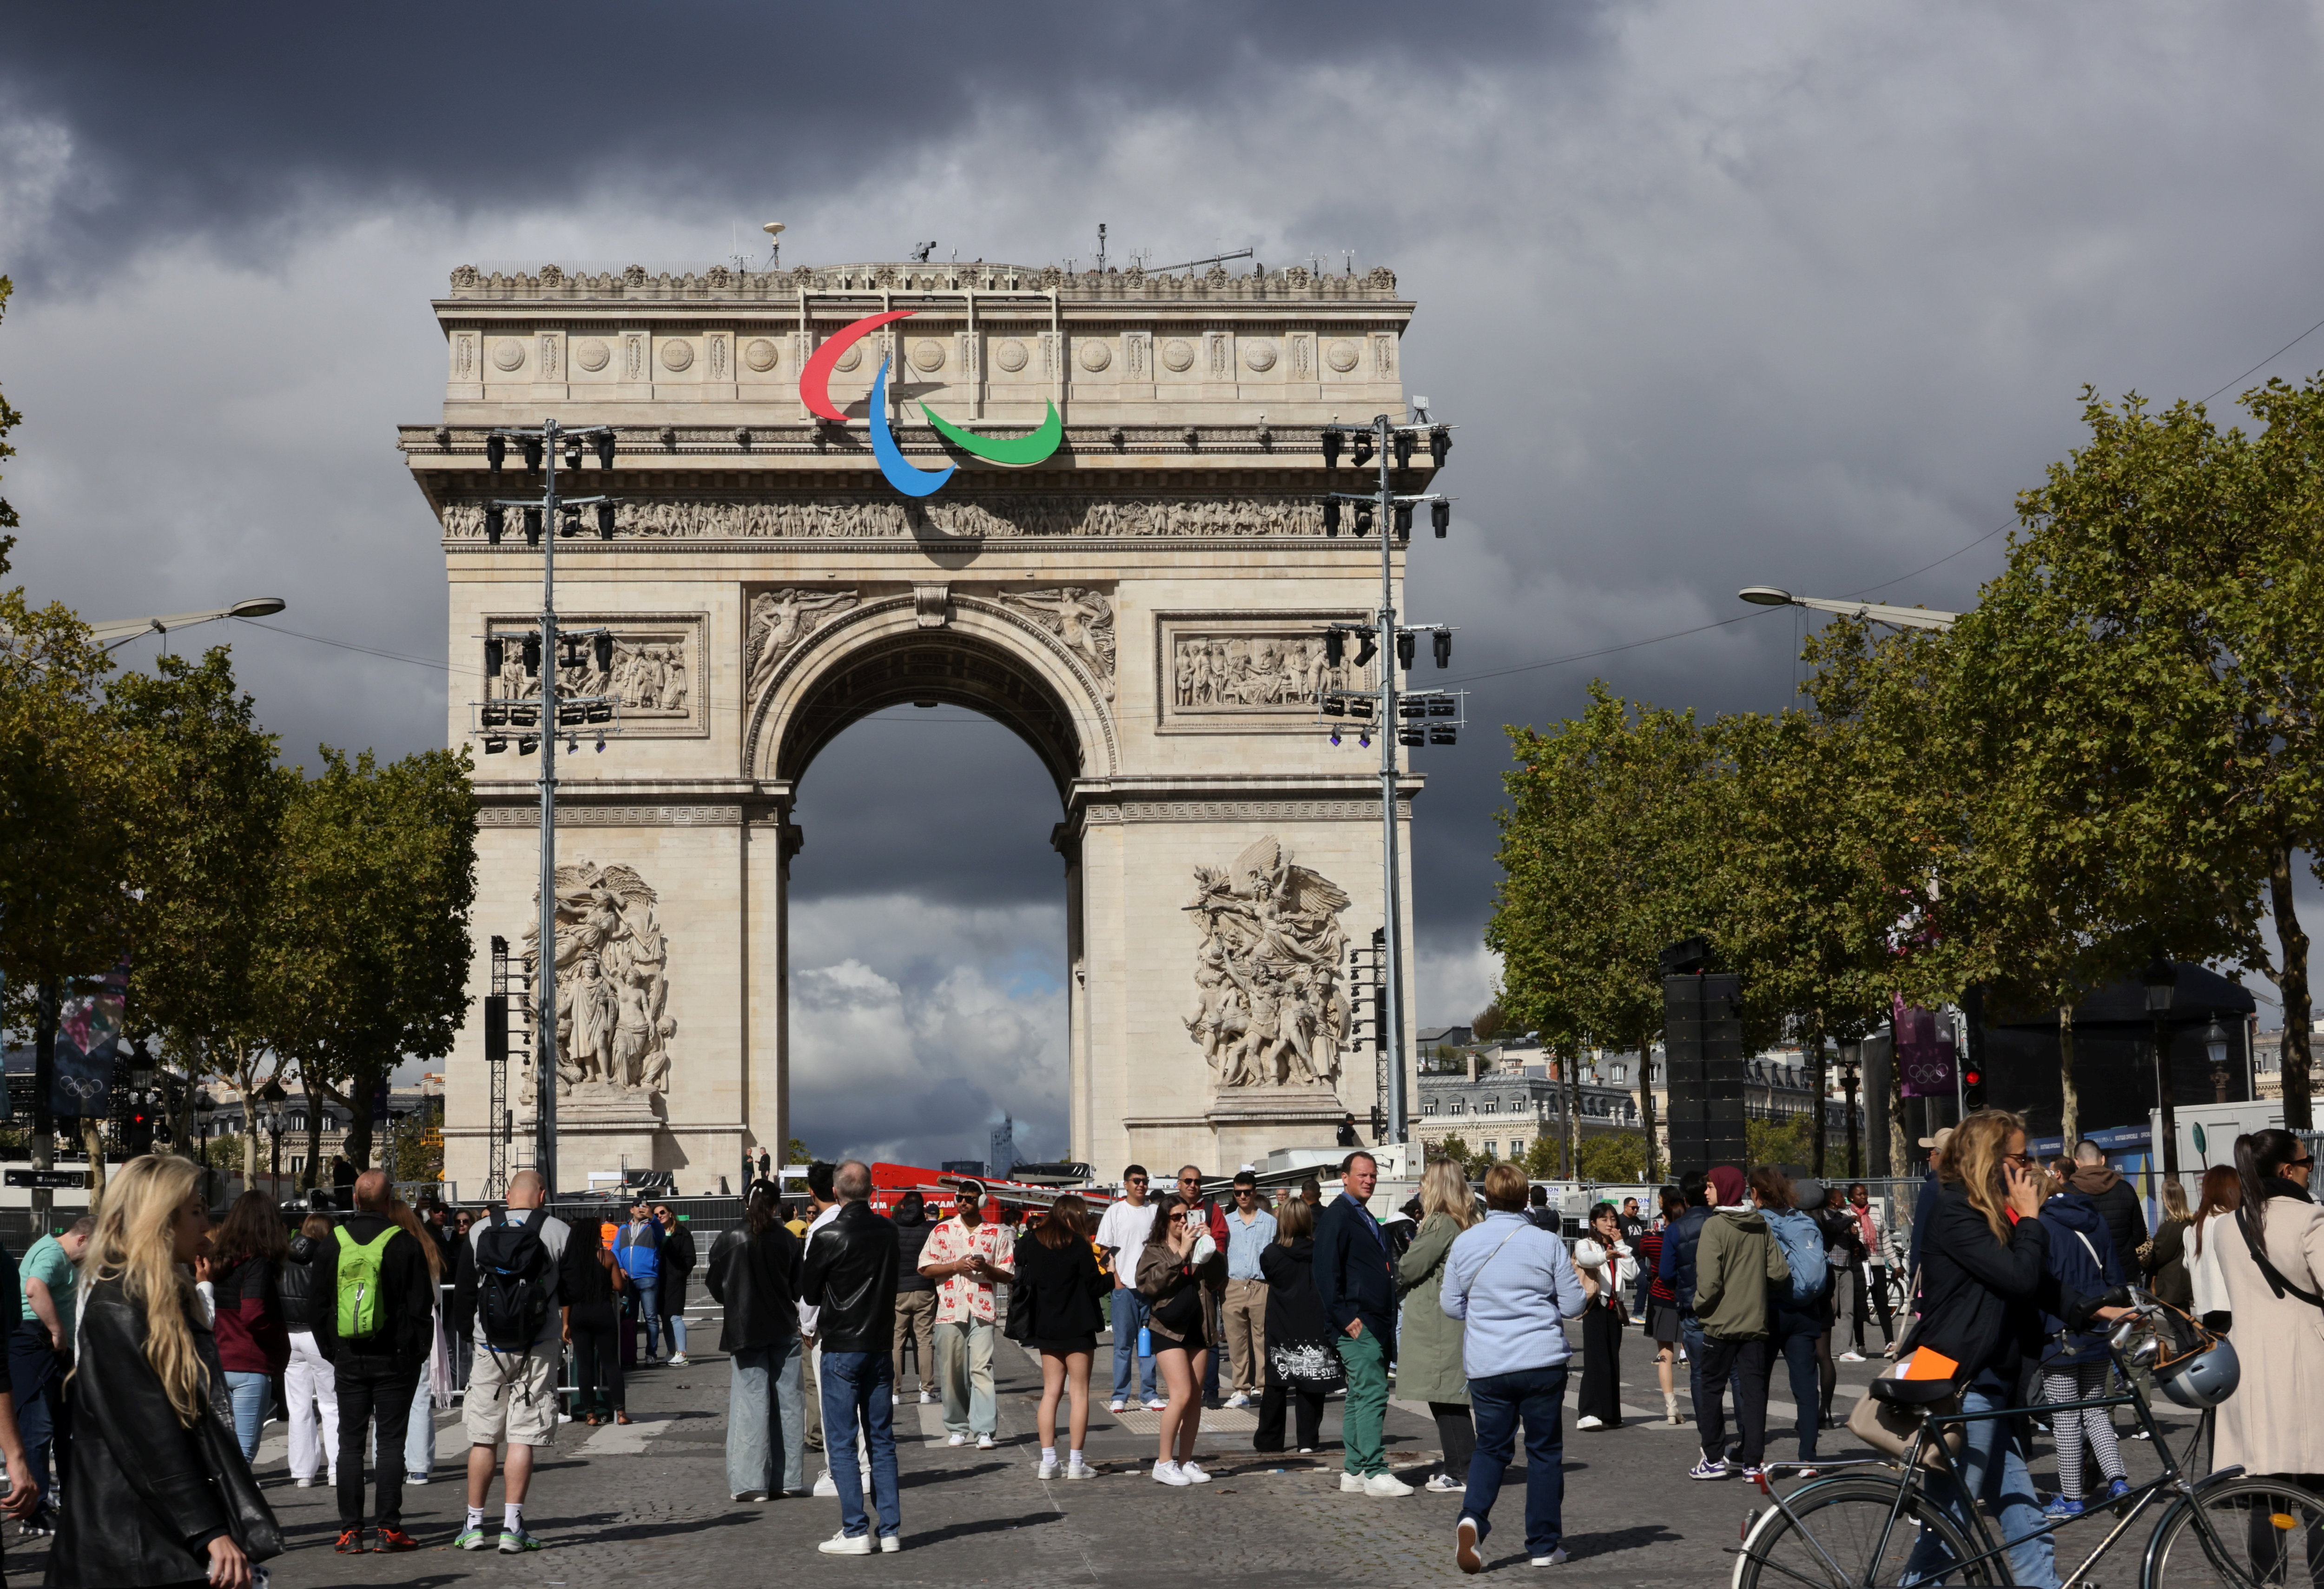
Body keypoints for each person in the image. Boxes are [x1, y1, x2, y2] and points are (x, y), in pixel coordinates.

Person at [1901, 1110, 2132, 1589]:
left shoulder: (1985, 1211)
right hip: (1963, 1378)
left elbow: (2042, 1286)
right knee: (1948, 1528)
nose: (2032, 1166)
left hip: (1991, 1380)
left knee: (2023, 1521)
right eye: (2021, 1156)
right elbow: (2018, 1277)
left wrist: (2099, 1312)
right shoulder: (1954, 1211)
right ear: (1991, 1159)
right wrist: (2028, 1217)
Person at [50, 1153, 277, 1589]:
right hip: (133, 1538)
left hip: (153, 1528)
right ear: (160, 1218)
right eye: (195, 1211)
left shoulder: (158, 1297)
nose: (206, 1225)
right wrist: (208, 1530)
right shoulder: (119, 1305)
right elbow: (149, 1432)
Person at [1442, 1163, 1590, 1573]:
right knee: (1544, 1453)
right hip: (1540, 1359)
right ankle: (1543, 1545)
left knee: (1491, 1447)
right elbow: (1574, 1306)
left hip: (1488, 1363)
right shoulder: (1545, 1242)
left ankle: (1473, 1517)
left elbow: (1451, 1306)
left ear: (1486, 1197)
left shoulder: (1466, 1242)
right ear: (1527, 1198)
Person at [451, 1169, 576, 1553]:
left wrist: (472, 1336)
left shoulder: (478, 1231)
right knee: (523, 1435)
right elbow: (570, 1290)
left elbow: (464, 1294)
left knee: (483, 1437)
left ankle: (473, 1525)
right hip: (538, 1342)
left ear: (507, 1196)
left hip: (489, 1344)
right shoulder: (559, 1231)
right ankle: (512, 1526)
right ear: (541, 1194)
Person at [2212, 1125, 2324, 1554]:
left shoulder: (2228, 1226)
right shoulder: (2308, 1218)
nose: (2310, 1171)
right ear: (2287, 1170)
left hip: (2250, 1368)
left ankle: (2269, 1583)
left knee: (2268, 1495)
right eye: (2306, 1162)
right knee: (2317, 1491)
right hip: (2306, 1365)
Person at [315, 1168, 434, 1553]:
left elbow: (318, 1306)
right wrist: (420, 1352)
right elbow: (421, 1307)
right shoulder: (404, 1243)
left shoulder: (333, 1242)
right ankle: (389, 1529)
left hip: (349, 1357)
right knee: (390, 1444)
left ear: (354, 1199)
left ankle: (351, 1531)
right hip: (395, 1359)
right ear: (389, 1201)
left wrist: (332, 1350)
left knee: (349, 1443)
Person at [799, 1159, 902, 1556]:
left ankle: (856, 1529)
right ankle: (890, 1529)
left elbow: (809, 1295)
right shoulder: (889, 1232)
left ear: (837, 1192)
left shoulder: (828, 1234)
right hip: (879, 1343)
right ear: (871, 1191)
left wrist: (809, 1328)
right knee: (882, 1440)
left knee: (842, 1441)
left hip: (842, 1344)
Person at [2035, 1165, 2131, 1519]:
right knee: (2096, 1411)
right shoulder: (2095, 1220)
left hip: (2058, 1331)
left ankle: (2072, 1496)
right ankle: (2118, 1480)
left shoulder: (2041, 1227)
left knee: (2066, 1419)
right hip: (2098, 1328)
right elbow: (2114, 1275)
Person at [1685, 1165, 1789, 1481]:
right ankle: (1753, 1463)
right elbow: (1779, 1273)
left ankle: (1714, 1457)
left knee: (1711, 1389)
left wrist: (1698, 1306)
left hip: (1720, 1324)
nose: (1706, 1192)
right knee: (1754, 1393)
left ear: (1723, 1189)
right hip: (1755, 1323)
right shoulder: (1759, 1225)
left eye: (1711, 1187)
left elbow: (1710, 1282)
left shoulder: (1715, 1227)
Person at [708, 1180, 807, 1501]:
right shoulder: (788, 1240)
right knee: (789, 1404)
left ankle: (752, 1483)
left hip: (745, 1328)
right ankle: (787, 1479)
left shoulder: (729, 1239)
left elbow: (715, 1287)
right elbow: (797, 1288)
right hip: (782, 1326)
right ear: (778, 1206)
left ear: (744, 1202)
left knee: (751, 1404)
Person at [1315, 1150, 1404, 1496]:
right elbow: (1325, 1272)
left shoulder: (1362, 1214)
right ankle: (1374, 1471)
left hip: (1372, 1320)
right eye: (1362, 1175)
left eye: (1372, 1175)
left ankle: (1354, 1470)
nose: (1368, 1180)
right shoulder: (1338, 1215)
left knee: (1359, 1397)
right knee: (1372, 1395)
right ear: (1345, 1177)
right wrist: (1344, 1317)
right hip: (1357, 1322)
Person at [1012, 1192, 1105, 1480]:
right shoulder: (1079, 1245)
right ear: (1071, 1216)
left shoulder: (1032, 1242)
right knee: (1079, 1394)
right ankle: (1076, 1463)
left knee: (1051, 1393)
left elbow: (1018, 1259)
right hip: (1078, 1325)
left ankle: (1048, 1461)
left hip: (1047, 1325)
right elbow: (1094, 1286)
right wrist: (1111, 1274)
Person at [1398, 1159, 1479, 1489]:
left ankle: (1461, 1472)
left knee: (1446, 1399)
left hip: (1438, 1323)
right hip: (1453, 1318)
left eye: (1424, 1183)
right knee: (1449, 1398)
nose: (1420, 1189)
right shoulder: (1467, 1220)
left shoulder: (1440, 1223)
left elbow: (1410, 1267)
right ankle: (1458, 1466)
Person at [1136, 1192, 1225, 1486]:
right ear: (1164, 1221)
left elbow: (1216, 1281)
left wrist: (1209, 1248)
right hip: (1168, 1329)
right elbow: (1149, 1285)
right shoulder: (1155, 1250)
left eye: (1187, 1215)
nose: (1183, 1221)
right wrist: (1181, 1253)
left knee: (1195, 1399)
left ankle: (1186, 1460)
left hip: (1199, 1325)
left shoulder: (1198, 1244)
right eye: (1176, 1217)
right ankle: (1163, 1462)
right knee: (1181, 1395)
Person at [920, 1179, 1011, 1450]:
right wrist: (955, 1266)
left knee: (981, 1368)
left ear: (981, 1201)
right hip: (949, 1309)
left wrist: (986, 1269)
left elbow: (1008, 1274)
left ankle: (984, 1430)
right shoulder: (942, 1230)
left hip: (982, 1310)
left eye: (970, 1198)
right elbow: (925, 1267)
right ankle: (958, 1426)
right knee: (951, 1372)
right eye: (960, 1197)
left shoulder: (996, 1234)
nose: (963, 1202)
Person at [11, 1215, 89, 1530]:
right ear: (82, 1239)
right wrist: (57, 1331)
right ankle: (35, 1508)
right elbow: (34, 1288)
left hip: (53, 1351)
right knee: (38, 1429)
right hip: (36, 1346)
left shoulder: (62, 1257)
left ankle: (73, 1502)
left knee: (64, 1428)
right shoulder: (53, 1254)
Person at [207, 1193, 292, 1464]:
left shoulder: (217, 1262)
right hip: (250, 1362)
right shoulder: (258, 1263)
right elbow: (254, 1313)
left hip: (218, 1361)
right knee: (243, 1453)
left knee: (221, 1449)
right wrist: (276, 1339)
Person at [1755, 1172, 1829, 1473]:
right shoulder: (1804, 1221)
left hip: (1769, 1310)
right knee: (1805, 1386)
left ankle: (1754, 1454)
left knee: (1757, 1383)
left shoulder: (1759, 1222)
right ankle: (1809, 1457)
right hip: (1804, 1312)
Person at [1253, 1196, 1334, 1454]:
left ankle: (1269, 1439)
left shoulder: (1272, 1253)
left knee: (1277, 1382)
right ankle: (1308, 1441)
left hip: (1281, 1320)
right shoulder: (1320, 1251)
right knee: (1311, 1381)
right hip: (1313, 1319)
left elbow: (1269, 1275)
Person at [388, 1196, 453, 1488]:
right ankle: (419, 1467)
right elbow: (436, 1295)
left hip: (390, 1323)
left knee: (387, 1399)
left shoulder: (384, 1246)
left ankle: (387, 1463)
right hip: (425, 1321)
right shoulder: (426, 1247)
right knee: (419, 1398)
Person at [1094, 1164, 1164, 1413]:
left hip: (1151, 1289)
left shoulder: (1156, 1212)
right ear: (1126, 1184)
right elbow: (1104, 1250)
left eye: (1145, 1180)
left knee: (1148, 1345)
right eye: (1136, 1181)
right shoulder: (1115, 1212)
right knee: (1123, 1346)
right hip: (1123, 1289)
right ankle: (1120, 1395)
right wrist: (1116, 1281)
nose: (1141, 1185)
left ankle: (1149, 1394)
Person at [280, 1212, 340, 1490]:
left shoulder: (284, 1258)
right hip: (318, 1335)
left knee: (298, 1407)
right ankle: (337, 1469)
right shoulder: (328, 1258)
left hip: (290, 1335)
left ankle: (303, 1471)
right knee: (331, 1404)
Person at [1573, 1198, 1636, 1433]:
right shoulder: (1586, 1244)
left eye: (1613, 1219)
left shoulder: (1619, 1245)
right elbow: (1584, 1260)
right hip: (1595, 1307)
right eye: (1604, 1220)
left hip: (1615, 1308)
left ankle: (1610, 1413)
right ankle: (1588, 1412)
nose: (1610, 1224)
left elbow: (1632, 1274)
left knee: (1611, 1360)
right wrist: (1605, 1257)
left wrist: (1621, 1247)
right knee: (1595, 1359)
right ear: (1593, 1223)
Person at [1220, 1170, 1276, 1409]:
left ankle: (1264, 1388)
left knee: (1263, 1341)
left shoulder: (1270, 1221)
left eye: (1247, 1192)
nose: (1242, 1196)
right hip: (1233, 1285)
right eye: (1238, 1192)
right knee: (1236, 1341)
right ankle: (1241, 1389)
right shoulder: (1227, 1221)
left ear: (1255, 1192)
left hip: (1261, 1285)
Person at [564, 1218, 627, 1425]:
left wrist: (566, 1323)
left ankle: (590, 1414)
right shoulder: (607, 1256)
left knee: (584, 1365)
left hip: (579, 1315)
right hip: (602, 1312)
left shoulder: (572, 1261)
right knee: (611, 1364)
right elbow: (618, 1286)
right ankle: (621, 1413)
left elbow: (567, 1297)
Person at [1635, 1188, 1684, 1426]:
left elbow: (1642, 1251)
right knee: (1696, 1353)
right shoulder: (1688, 1237)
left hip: (1660, 1298)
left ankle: (1671, 1407)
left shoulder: (1652, 1240)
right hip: (1685, 1297)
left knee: (1665, 1355)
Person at [889, 1190, 940, 1404]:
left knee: (896, 1342)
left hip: (898, 1290)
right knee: (925, 1341)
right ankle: (926, 1391)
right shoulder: (929, 1230)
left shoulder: (893, 1230)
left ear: (902, 1206)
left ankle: (894, 1392)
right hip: (924, 1288)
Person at [2068, 1139, 2148, 1272]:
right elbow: (2140, 1236)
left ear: (2076, 1162)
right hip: (2124, 1271)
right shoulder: (2125, 1189)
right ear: (2103, 1160)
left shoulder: (2066, 1193)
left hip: (2086, 1273)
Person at [1841, 1182, 1893, 1359]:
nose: (1864, 1197)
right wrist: (1851, 1232)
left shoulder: (1877, 1214)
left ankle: (1890, 1343)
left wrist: (1896, 1264)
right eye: (1859, 1194)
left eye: (1865, 1194)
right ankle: (1860, 1344)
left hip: (1877, 1264)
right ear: (1851, 1198)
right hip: (1857, 1265)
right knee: (1858, 1305)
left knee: (1882, 1304)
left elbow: (1886, 1241)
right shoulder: (1845, 1216)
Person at [2188, 1163, 2240, 1332]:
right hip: (2235, 1307)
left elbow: (2187, 1264)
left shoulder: (2193, 1228)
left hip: (2208, 1308)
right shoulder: (2231, 1221)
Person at [614, 1198, 664, 1366]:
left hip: (648, 1277)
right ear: (631, 1210)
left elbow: (661, 1234)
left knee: (651, 1317)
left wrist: (653, 1218)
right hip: (629, 1280)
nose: (642, 1209)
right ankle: (630, 1355)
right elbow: (615, 1250)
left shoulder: (652, 1227)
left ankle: (651, 1354)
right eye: (638, 1206)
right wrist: (620, 1267)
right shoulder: (623, 1229)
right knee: (631, 1319)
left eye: (645, 1207)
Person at [2140, 1177, 2195, 1312]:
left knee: (2178, 1328)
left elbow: (2158, 1255)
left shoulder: (2170, 1226)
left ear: (2168, 1200)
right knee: (2185, 1324)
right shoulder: (2191, 1222)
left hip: (2170, 1287)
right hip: (2183, 1283)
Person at [654, 1204, 696, 1367]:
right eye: (657, 1214)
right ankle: (671, 1351)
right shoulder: (657, 1234)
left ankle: (683, 1353)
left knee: (675, 1316)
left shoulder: (682, 1233)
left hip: (675, 1280)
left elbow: (690, 1258)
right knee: (664, 1317)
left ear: (671, 1214)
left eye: (663, 1212)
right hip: (661, 1280)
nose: (660, 1216)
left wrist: (680, 1273)